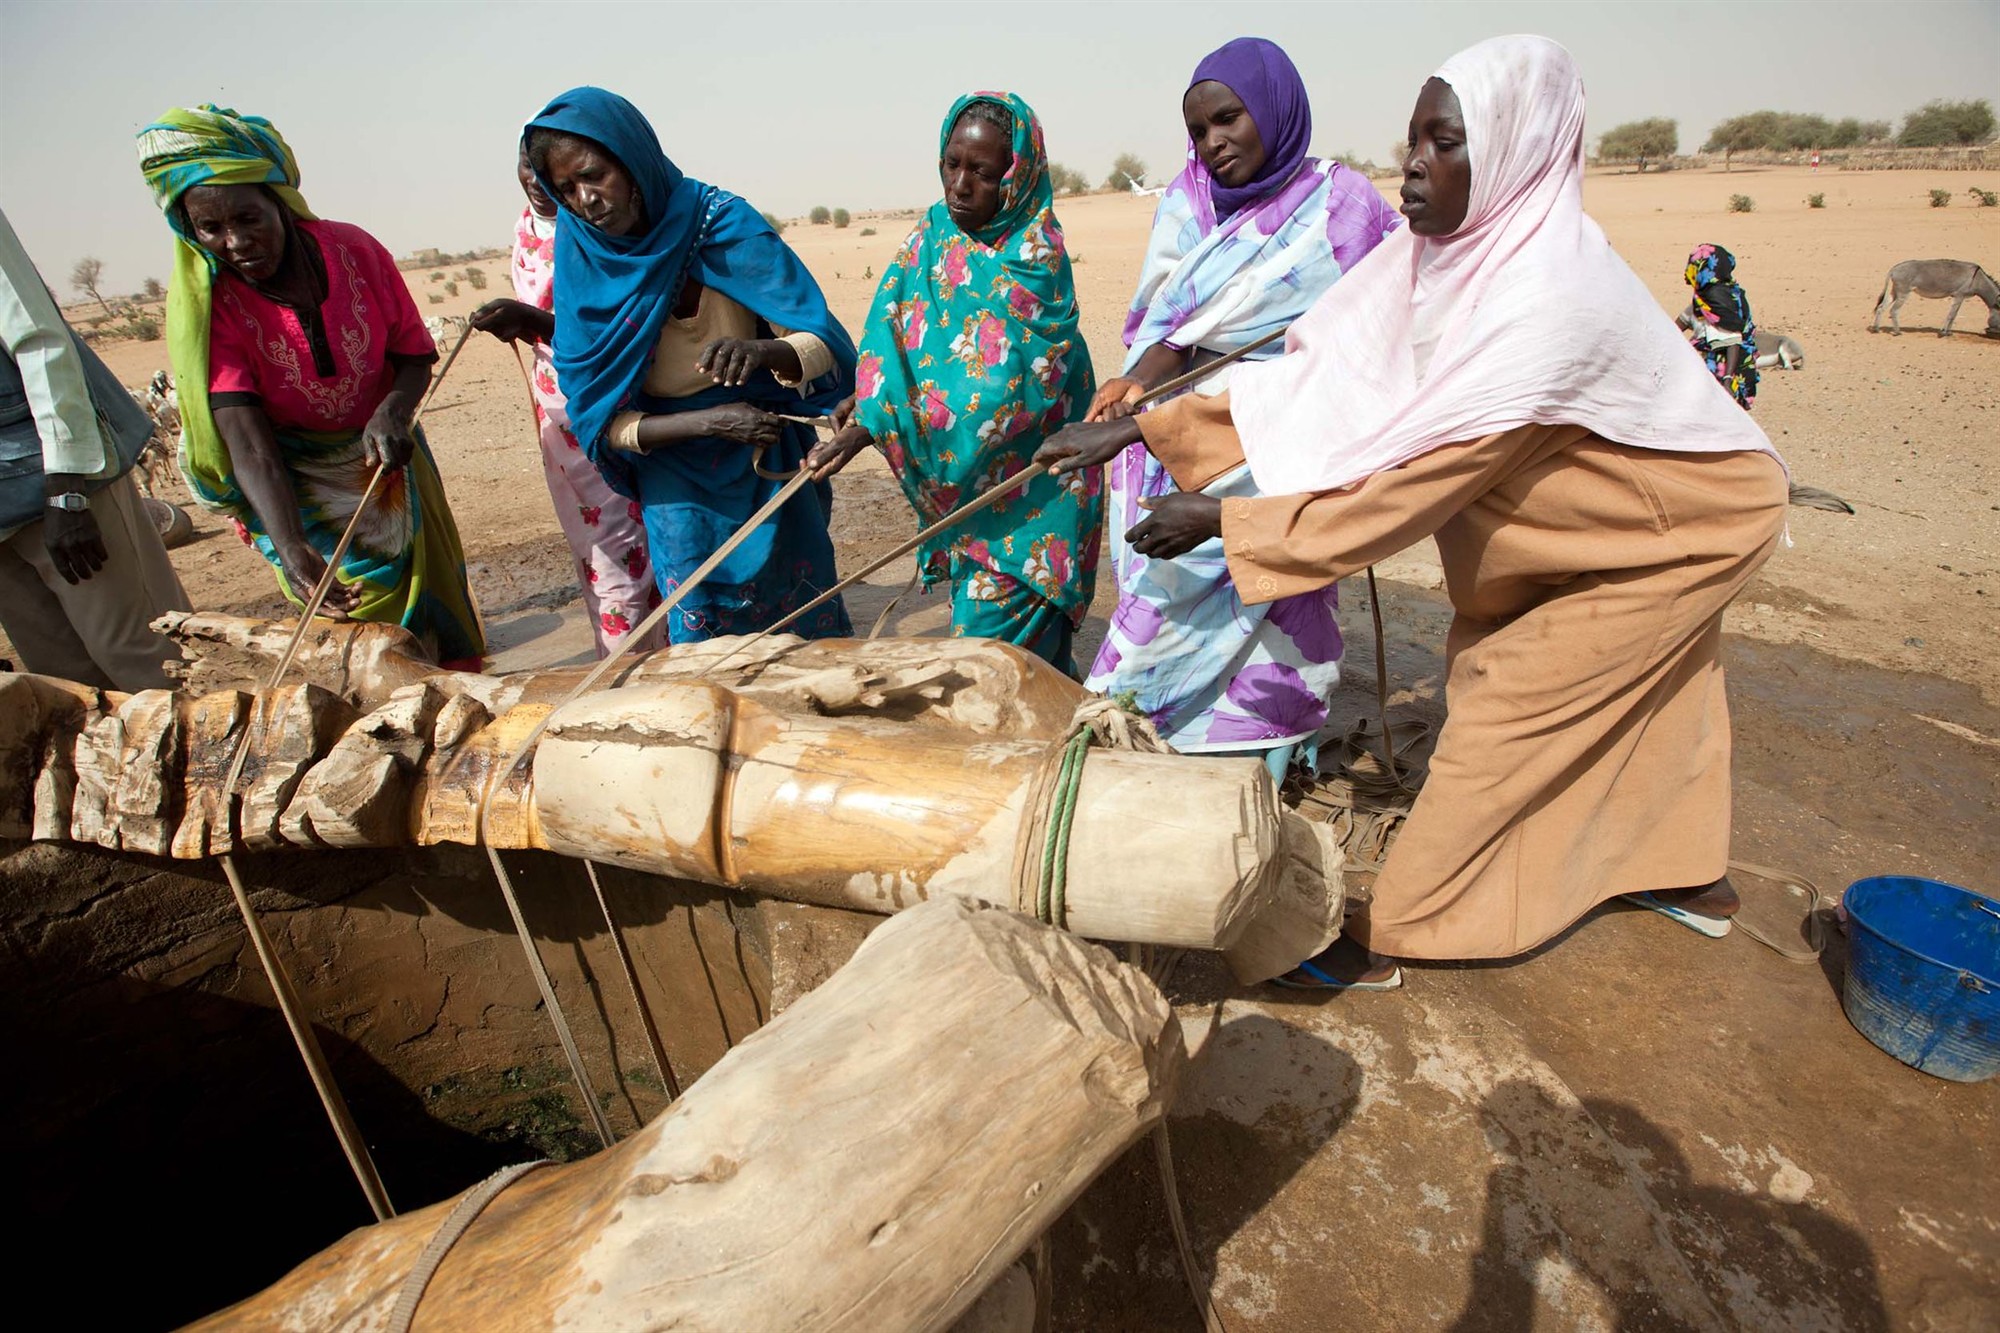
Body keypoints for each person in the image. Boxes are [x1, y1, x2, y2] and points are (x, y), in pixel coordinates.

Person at [1038, 36, 1788, 988]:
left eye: (1448, 144)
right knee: (1658, 690)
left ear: (1515, 153)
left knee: (1507, 688)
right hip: (1608, 519)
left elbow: (1404, 493)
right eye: (1414, 142)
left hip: (1682, 530)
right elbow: (1315, 379)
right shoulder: (1444, 261)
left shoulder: (1543, 303)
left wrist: (1226, 523)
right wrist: (1143, 431)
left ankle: (1408, 921)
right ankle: (1688, 874)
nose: (1416, 166)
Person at [1084, 37, 1401, 772]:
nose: (1214, 142)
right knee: (1169, 583)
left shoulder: (1344, 204)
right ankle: (1148, 730)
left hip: (1295, 432)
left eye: (1229, 119)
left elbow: (1385, 325)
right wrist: (1134, 382)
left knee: (1280, 587)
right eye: (1198, 130)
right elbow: (1171, 327)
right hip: (1188, 431)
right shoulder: (1185, 199)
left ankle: (1271, 749)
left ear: (1273, 107)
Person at [481, 88, 855, 643]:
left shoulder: (722, 222)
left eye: (594, 176)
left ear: (632, 158)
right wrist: (706, 423)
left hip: (763, 460)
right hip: (675, 479)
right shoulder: (583, 264)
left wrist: (767, 352)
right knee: (705, 652)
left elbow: (822, 341)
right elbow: (600, 423)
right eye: (567, 190)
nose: (587, 200)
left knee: (807, 633)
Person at [136, 105, 484, 668]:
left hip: (388, 458)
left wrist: (393, 409)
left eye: (249, 218)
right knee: (356, 629)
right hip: (293, 483)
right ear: (190, 231)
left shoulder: (355, 251)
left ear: (280, 202)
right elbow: (247, 442)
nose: (235, 241)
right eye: (211, 229)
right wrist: (293, 543)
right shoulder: (215, 305)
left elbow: (414, 354)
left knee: (438, 614)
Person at [804, 92, 1100, 673]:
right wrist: (869, 405)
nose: (960, 186)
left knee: (987, 662)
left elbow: (1003, 398)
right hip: (967, 504)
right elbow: (894, 338)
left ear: (1017, 175)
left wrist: (880, 424)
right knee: (1021, 672)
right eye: (951, 166)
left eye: (983, 173)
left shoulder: (1035, 259)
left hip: (1034, 502)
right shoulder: (933, 235)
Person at [470, 148, 666, 658]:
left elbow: (616, 334)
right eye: (526, 168)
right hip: (558, 414)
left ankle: (647, 666)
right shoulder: (526, 229)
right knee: (596, 548)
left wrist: (532, 323)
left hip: (612, 403)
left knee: (631, 542)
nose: (536, 182)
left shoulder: (605, 236)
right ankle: (629, 665)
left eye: (547, 173)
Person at [0, 207, 190, 690]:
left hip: (51, 478)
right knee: (62, 685)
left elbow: (39, 341)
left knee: (149, 658)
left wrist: (67, 488)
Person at [1676, 242, 1759, 410]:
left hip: (1723, 372)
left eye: (1693, 266)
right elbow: (1676, 327)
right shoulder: (1701, 301)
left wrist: (1727, 380)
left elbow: (1732, 340)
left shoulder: (1719, 300)